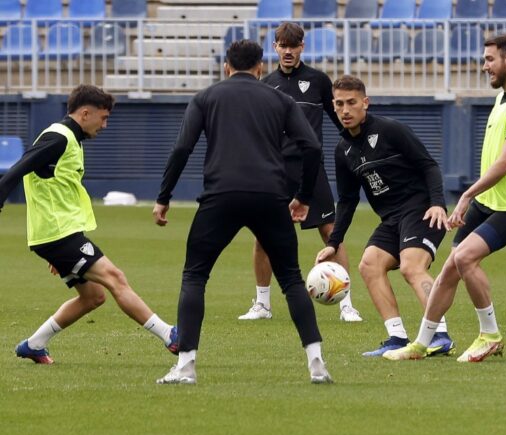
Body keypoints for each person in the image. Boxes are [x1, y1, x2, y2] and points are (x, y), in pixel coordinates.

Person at [153, 40, 332, 385]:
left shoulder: (206, 97)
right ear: (261, 67)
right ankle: (317, 364)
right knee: (292, 279)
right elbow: (311, 146)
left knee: (195, 276)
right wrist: (304, 196)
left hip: (221, 195)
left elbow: (181, 148)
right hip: (270, 195)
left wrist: (164, 196)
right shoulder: (280, 99)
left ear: (226, 67)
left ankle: (186, 366)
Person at [383, 35, 506, 363]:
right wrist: (475, 199)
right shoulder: (504, 98)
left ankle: (490, 335)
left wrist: (466, 196)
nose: (484, 65)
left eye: (490, 59)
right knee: (447, 271)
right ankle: (422, 343)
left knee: (465, 258)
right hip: (491, 201)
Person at [0, 84, 177, 365]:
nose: (105, 125)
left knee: (93, 297)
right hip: (57, 234)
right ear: (85, 113)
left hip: (60, 235)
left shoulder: (71, 138)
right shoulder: (58, 138)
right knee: (115, 278)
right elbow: (20, 168)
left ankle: (34, 344)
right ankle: (170, 335)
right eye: (103, 118)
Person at [315, 75, 455, 357]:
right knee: (368, 265)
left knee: (410, 267)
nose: (345, 110)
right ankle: (397, 337)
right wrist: (333, 242)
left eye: (352, 103)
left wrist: (438, 203)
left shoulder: (391, 130)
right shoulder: (343, 150)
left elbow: (429, 166)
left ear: (365, 103)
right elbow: (347, 200)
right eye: (339, 104)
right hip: (391, 218)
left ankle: (440, 334)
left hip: (421, 209)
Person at [239, 22, 362, 323]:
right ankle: (262, 304)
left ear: (302, 47)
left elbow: (340, 121)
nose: (289, 51)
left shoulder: (319, 81)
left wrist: (357, 150)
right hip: (275, 170)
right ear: (275, 47)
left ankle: (347, 304)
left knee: (331, 233)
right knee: (263, 236)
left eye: (294, 46)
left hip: (310, 169)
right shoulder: (266, 84)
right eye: (283, 45)